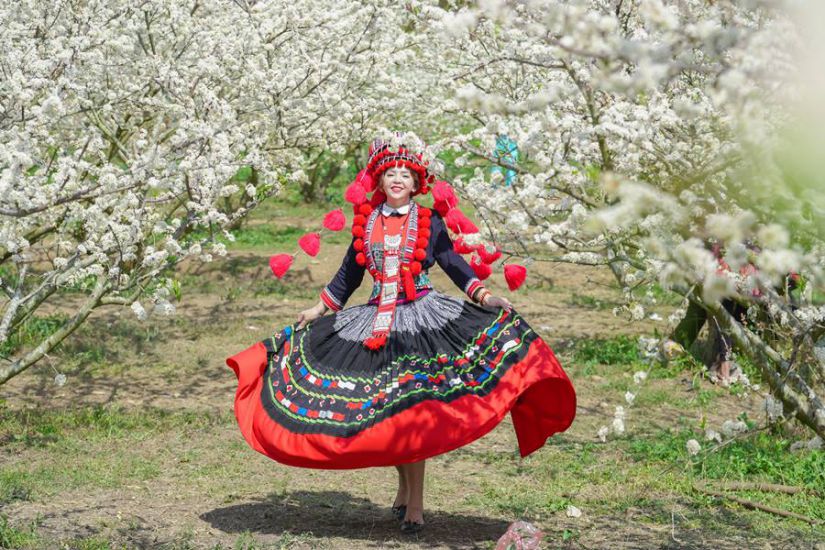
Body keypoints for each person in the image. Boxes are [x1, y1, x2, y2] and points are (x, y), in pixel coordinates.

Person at [226, 135, 576, 535]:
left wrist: (485, 295)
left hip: (424, 322)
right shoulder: (366, 222)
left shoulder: (429, 221)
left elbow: (454, 265)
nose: (396, 179)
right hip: (374, 322)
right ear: (380, 181)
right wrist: (318, 309)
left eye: (404, 174)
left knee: (414, 413)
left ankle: (417, 506)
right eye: (390, 173)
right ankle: (403, 488)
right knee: (389, 412)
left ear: (416, 183)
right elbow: (347, 277)